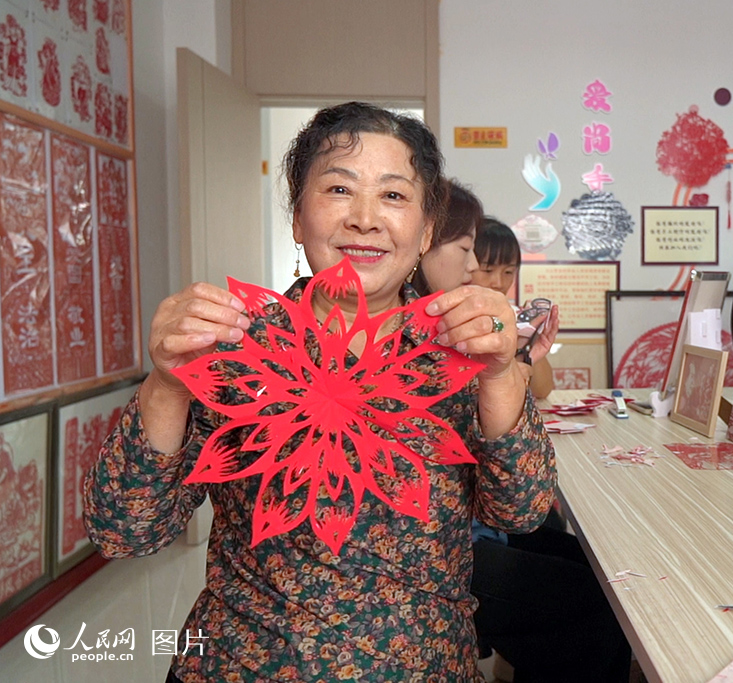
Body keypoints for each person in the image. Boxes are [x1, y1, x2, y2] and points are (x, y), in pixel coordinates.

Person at [84, 102, 556, 683]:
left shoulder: (459, 352)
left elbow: (522, 510)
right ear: (297, 217)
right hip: (246, 665)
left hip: (423, 665)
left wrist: (501, 371)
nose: (364, 218)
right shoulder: (233, 345)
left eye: (393, 195)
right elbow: (125, 529)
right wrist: (166, 382)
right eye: (338, 188)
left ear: (427, 228)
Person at [412, 217, 628, 683]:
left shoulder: (489, 324)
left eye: (505, 271)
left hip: (488, 523)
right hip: (462, 544)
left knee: (600, 576)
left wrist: (527, 354)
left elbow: (540, 389)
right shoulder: (446, 331)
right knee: (598, 607)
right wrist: (512, 366)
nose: (487, 277)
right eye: (477, 261)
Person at [471, 218, 558, 400]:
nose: (499, 283)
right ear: (466, 264)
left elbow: (542, 391)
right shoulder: (450, 315)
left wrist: (526, 344)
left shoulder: (517, 317)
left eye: (508, 272)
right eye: (488, 270)